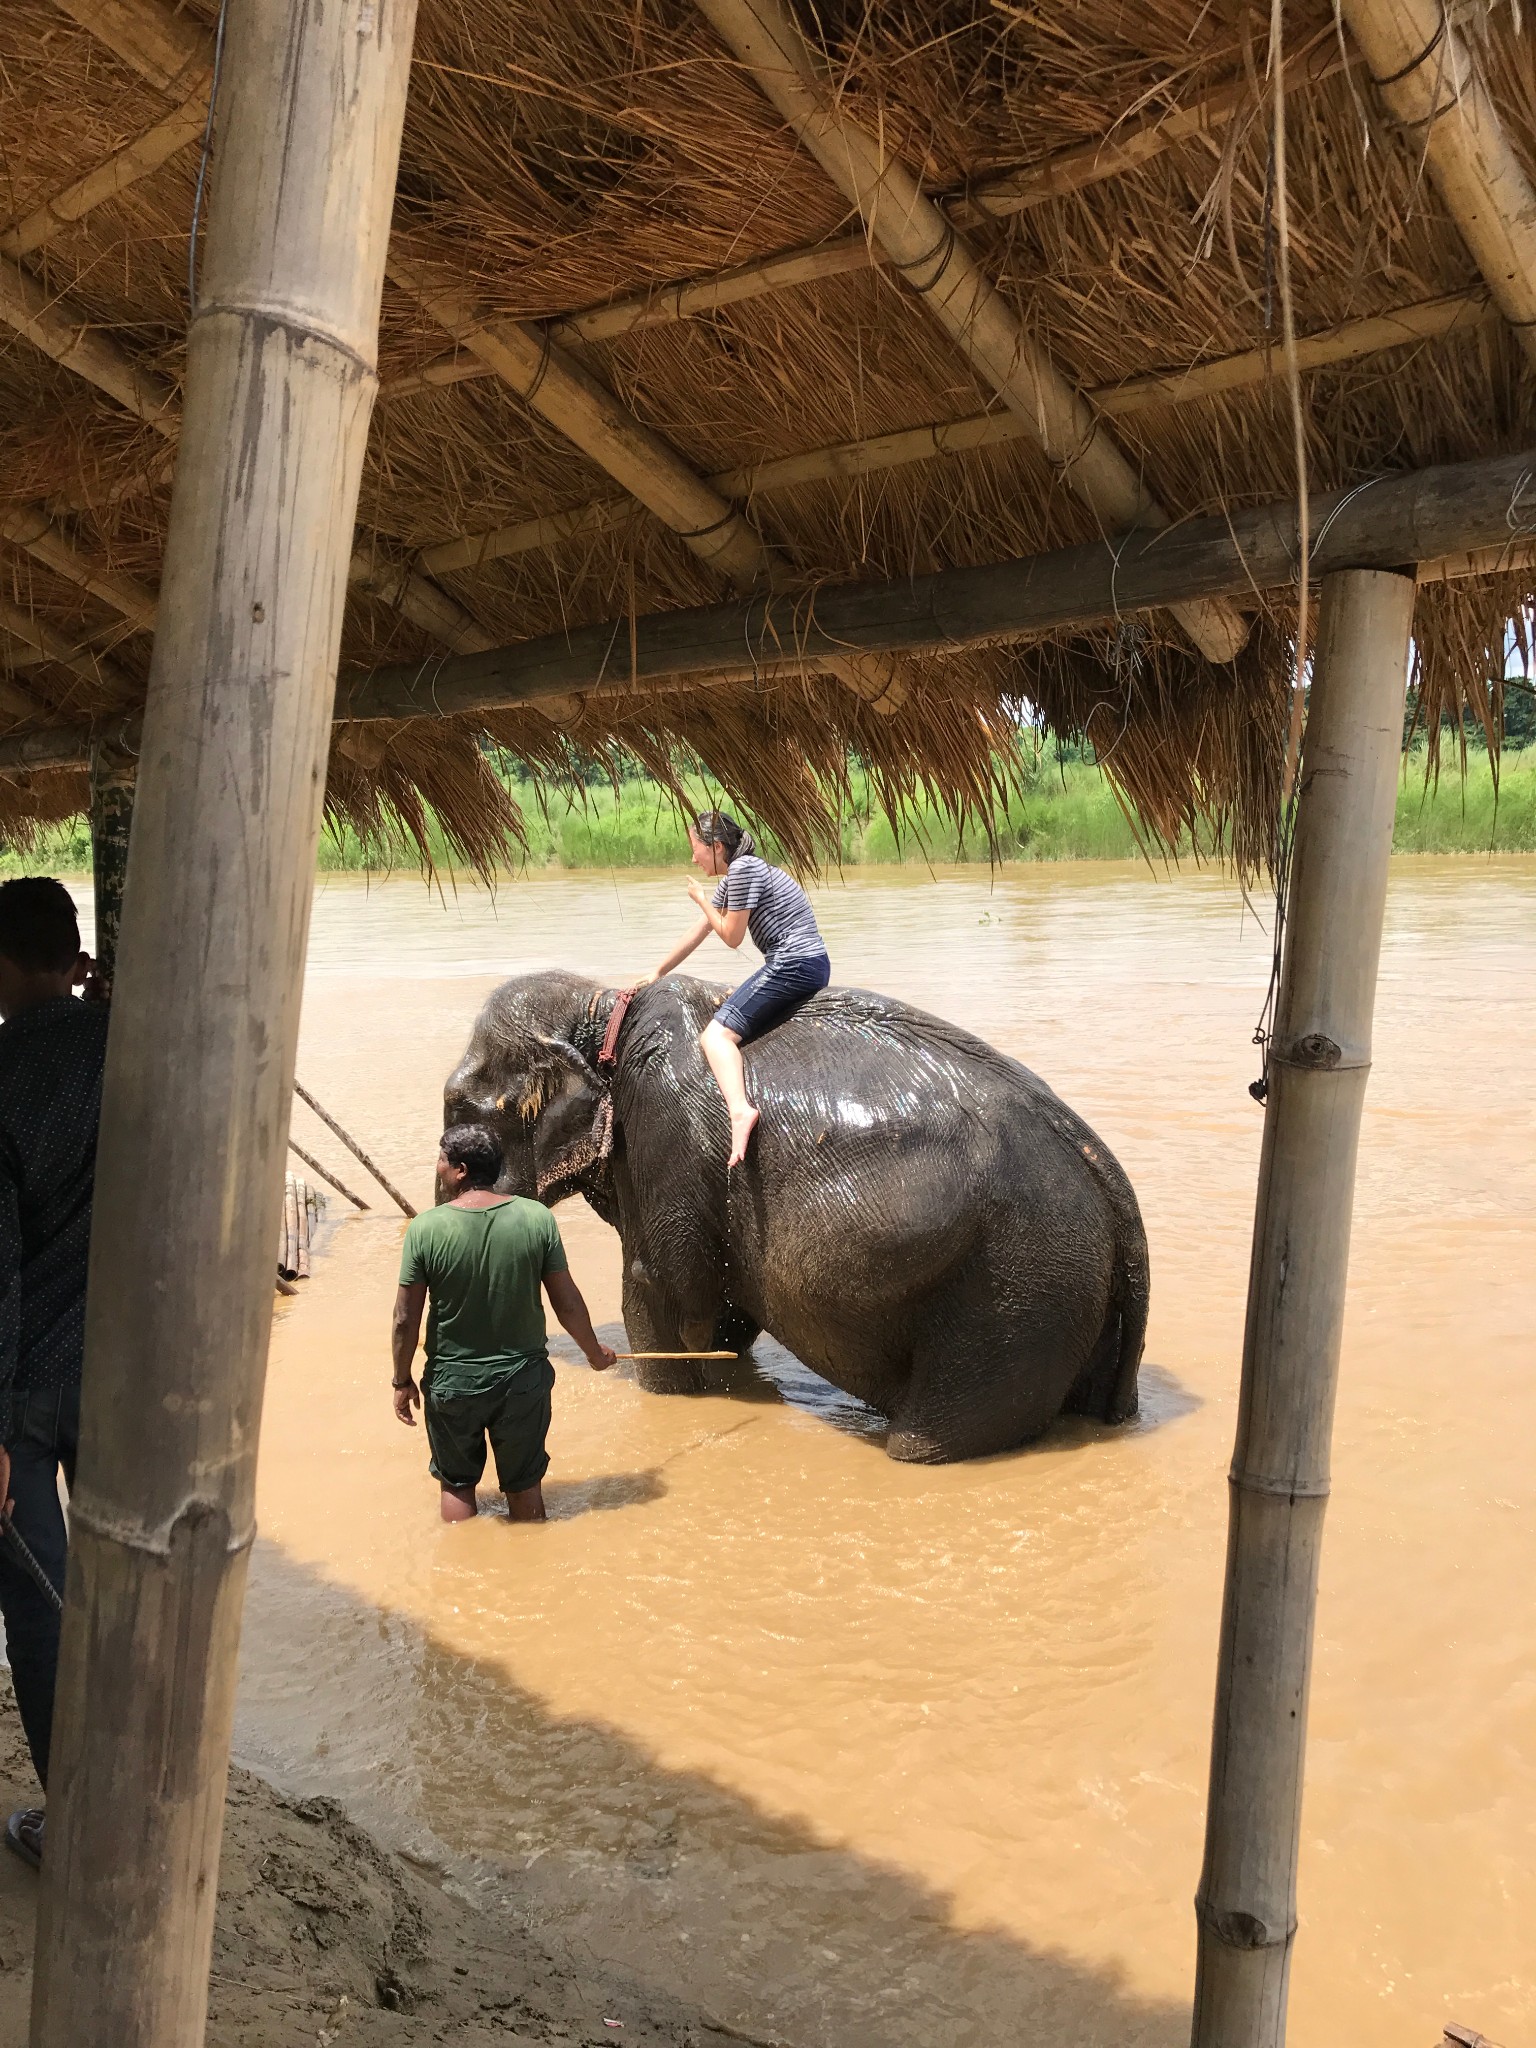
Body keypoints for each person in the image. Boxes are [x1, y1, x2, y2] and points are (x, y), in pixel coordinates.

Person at [0, 878, 105, 1872]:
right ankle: (148, 1788)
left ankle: (72, 1811)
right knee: (138, 1578)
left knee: (39, 1598)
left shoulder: (2, 1073)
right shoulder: (135, 1034)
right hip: (132, 1367)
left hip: (26, 1385)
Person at [391, 1122, 615, 1523]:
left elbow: (405, 1319)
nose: (438, 1167)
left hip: (453, 1382)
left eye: (441, 1159)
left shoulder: (424, 1229)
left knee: (457, 1485)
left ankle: (462, 1575)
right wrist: (594, 1353)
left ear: (460, 1170)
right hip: (522, 1382)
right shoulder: (536, 1218)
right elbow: (567, 1303)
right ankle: (530, 1575)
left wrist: (401, 1379)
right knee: (524, 1487)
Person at [637, 809, 830, 1166]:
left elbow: (730, 935)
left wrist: (699, 898)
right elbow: (702, 929)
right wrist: (658, 971)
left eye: (695, 847)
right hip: (809, 962)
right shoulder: (738, 875)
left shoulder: (742, 871)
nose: (692, 856)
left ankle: (740, 1111)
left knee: (715, 1037)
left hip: (793, 963)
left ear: (717, 846)